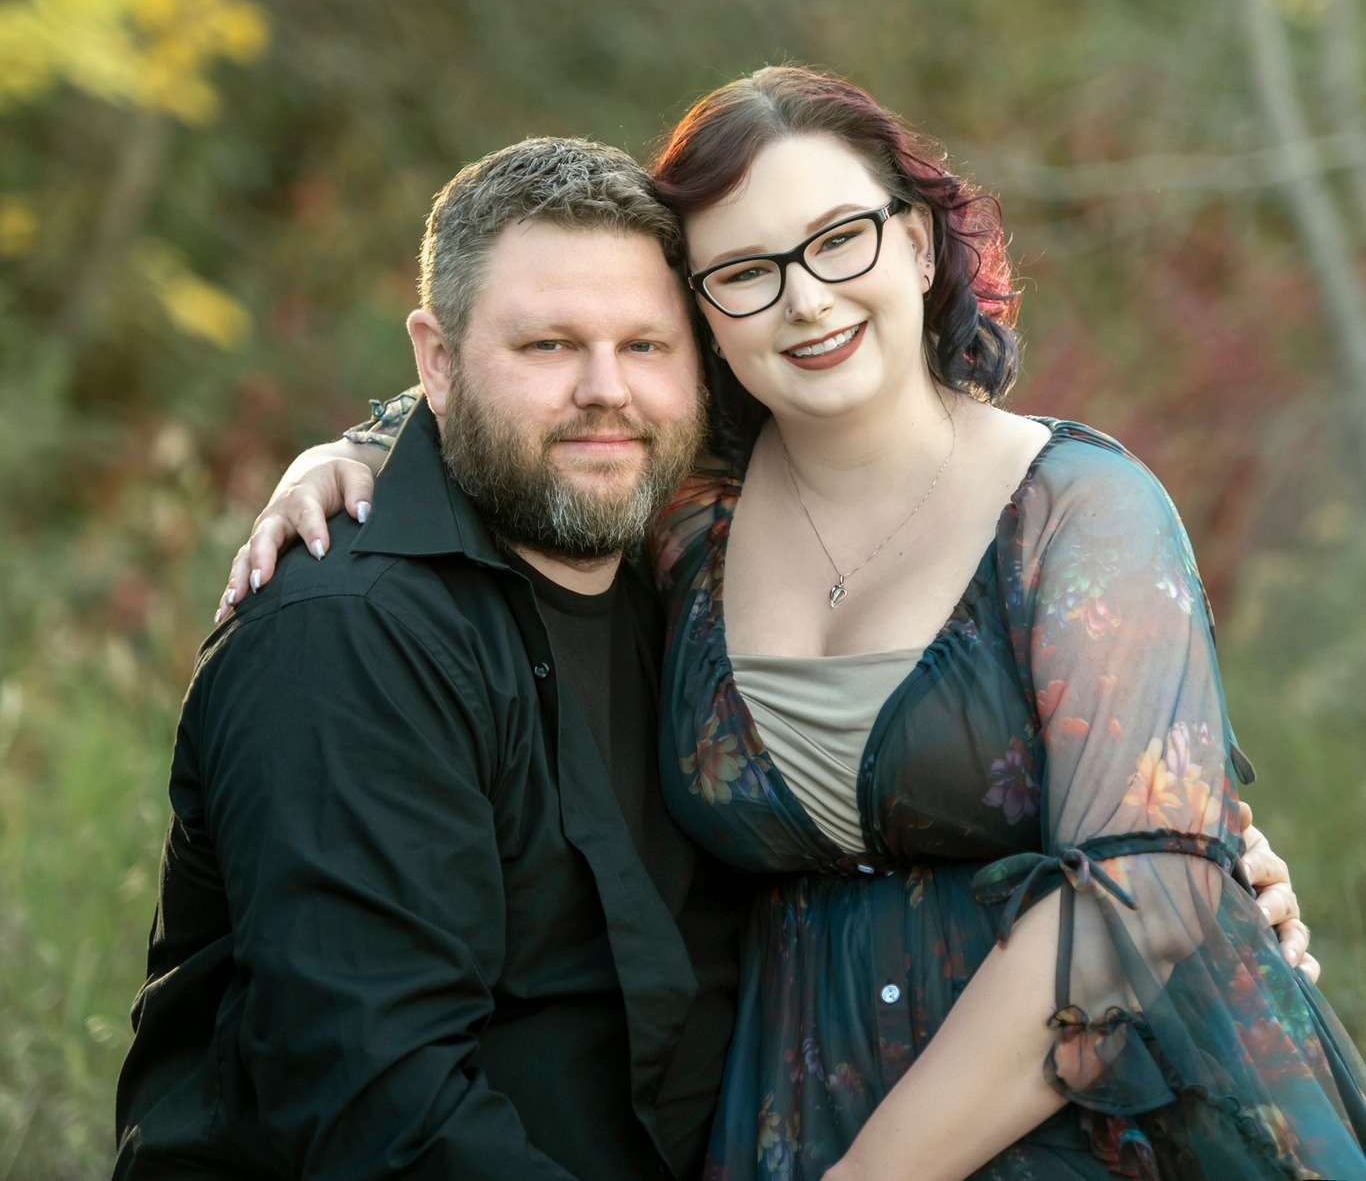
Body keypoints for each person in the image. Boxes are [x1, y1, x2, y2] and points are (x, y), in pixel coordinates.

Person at [220, 67, 1353, 1180]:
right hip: (788, 1112)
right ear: (706, 314)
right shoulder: (685, 520)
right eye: (746, 272)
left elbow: (1146, 883)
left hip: (1078, 1117)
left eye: (839, 240)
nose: (805, 298)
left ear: (917, 242)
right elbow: (545, 387)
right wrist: (360, 449)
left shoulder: (1076, 511)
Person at [114, 137, 744, 1180]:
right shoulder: (347, 633)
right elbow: (378, 1109)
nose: (606, 390)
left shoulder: (684, 577)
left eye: (646, 345)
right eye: (546, 345)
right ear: (436, 359)